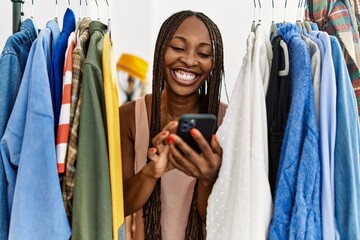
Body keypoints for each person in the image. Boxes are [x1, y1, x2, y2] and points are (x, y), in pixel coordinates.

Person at [119, 10, 227, 240]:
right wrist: (151, 172)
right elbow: (119, 207)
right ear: (160, 51)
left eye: (203, 53)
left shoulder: (227, 120)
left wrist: (208, 177)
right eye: (178, 48)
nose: (189, 60)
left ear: (213, 64)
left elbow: (217, 217)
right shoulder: (129, 116)